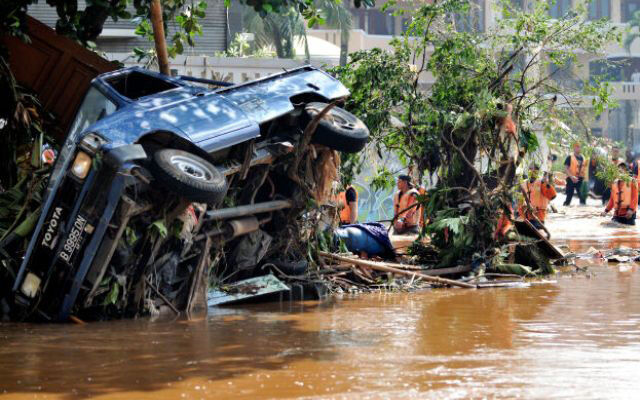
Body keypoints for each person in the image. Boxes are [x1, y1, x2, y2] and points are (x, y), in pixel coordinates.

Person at [519, 164, 557, 229]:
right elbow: (520, 203)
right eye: (530, 169)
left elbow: (552, 196)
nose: (532, 172)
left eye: (534, 170)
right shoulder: (523, 184)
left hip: (538, 218)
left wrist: (547, 184)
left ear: (538, 172)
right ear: (528, 171)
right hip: (526, 217)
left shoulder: (542, 183)